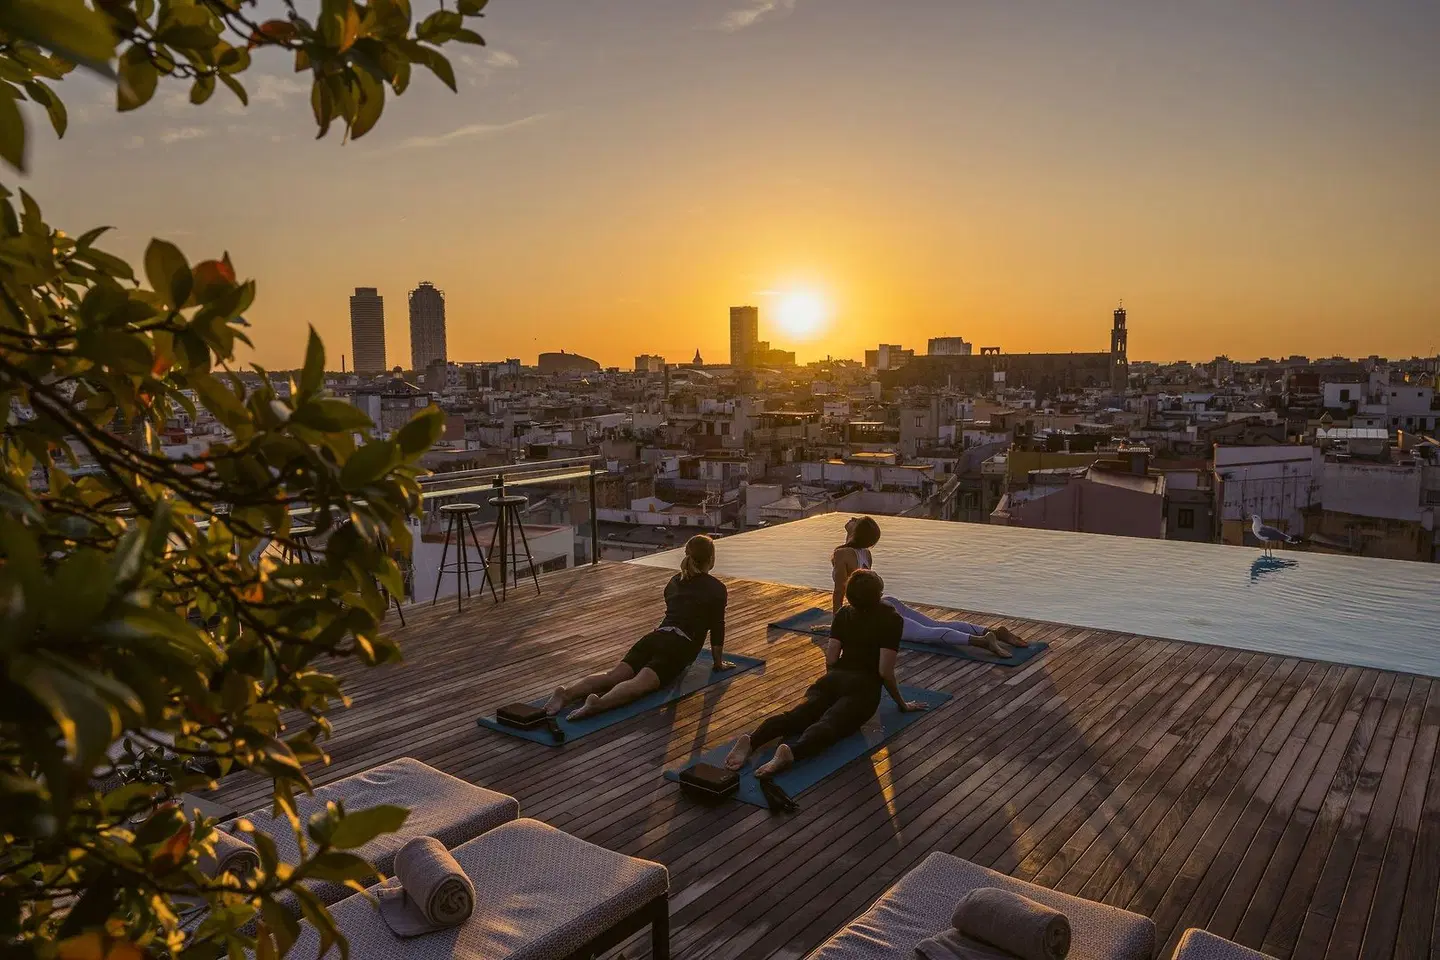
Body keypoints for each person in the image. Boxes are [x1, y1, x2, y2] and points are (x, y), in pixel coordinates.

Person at [727, 569, 927, 778]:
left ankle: (752, 740)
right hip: (864, 689)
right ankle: (792, 752)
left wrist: (833, 687)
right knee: (831, 724)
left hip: (832, 680)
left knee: (796, 716)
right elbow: (884, 671)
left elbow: (831, 658)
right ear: (879, 594)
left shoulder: (843, 613)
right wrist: (902, 704)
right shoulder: (891, 619)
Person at [545, 535, 732, 721]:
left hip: (655, 637)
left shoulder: (674, 582)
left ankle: (566, 693)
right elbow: (717, 628)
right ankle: (599, 703)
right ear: (711, 559)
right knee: (640, 683)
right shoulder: (716, 589)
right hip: (679, 647)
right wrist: (717, 663)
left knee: (613, 675)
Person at [830, 515, 1028, 658]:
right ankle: (991, 631)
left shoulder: (842, 554)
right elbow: (854, 564)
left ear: (856, 532)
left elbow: (840, 589)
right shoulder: (866, 553)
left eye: (855, 520)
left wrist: (837, 622)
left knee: (925, 634)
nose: (851, 519)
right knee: (936, 624)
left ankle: (983, 641)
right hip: (886, 602)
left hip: (874, 613)